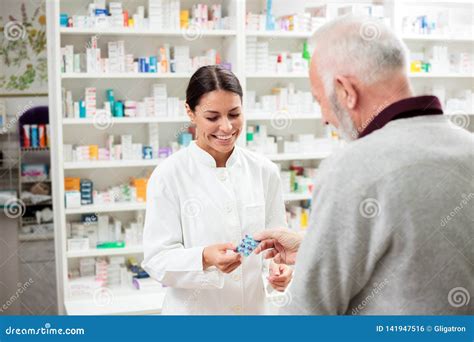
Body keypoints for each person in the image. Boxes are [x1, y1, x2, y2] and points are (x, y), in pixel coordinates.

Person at [254, 15, 474, 315]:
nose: (324, 118)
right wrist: (312, 250)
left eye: (321, 101)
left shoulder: (349, 168)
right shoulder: (468, 148)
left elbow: (305, 316)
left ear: (346, 91)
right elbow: (413, 259)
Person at [142, 65, 293, 315]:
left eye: (234, 114)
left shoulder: (264, 171)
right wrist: (204, 257)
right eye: (212, 117)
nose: (226, 127)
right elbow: (157, 260)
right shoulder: (169, 175)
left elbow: (275, 244)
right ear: (190, 112)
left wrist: (280, 271)